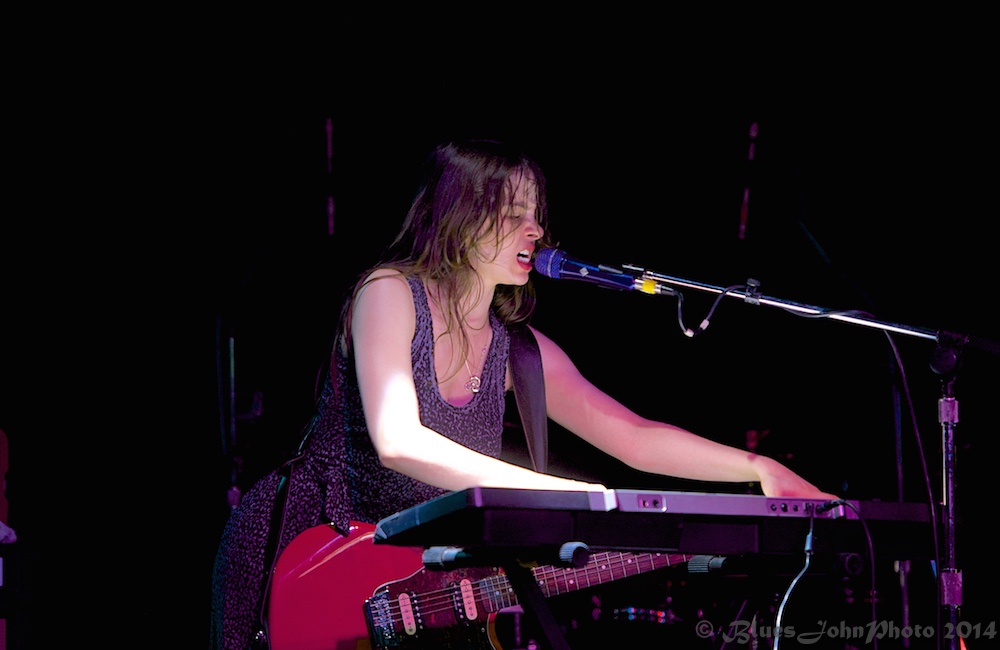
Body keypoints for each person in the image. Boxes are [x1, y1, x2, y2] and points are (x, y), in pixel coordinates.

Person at [210, 138, 838, 650]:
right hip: (310, 552)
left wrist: (756, 468)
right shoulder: (389, 293)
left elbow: (636, 438)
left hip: (418, 584)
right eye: (513, 214)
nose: (535, 229)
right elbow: (398, 440)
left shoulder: (521, 351)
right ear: (457, 215)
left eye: (536, 213)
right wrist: (567, 495)